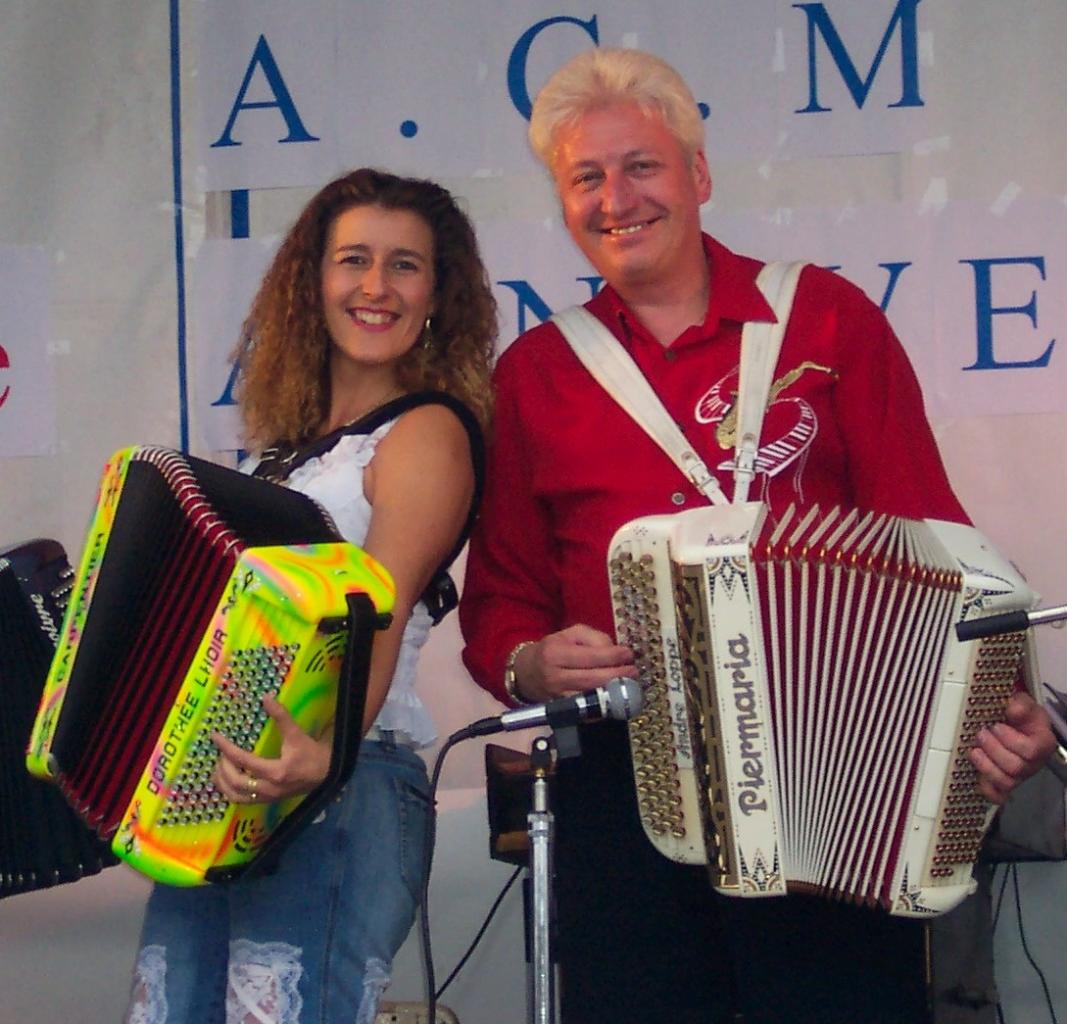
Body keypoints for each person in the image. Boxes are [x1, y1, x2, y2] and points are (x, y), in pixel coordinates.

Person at [458, 48, 1057, 1024]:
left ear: (696, 176)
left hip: (843, 771)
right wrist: (529, 662)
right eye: (585, 178)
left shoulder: (825, 319)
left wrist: (1006, 701)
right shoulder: (535, 374)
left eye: (640, 166)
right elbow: (500, 602)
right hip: (622, 786)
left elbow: (941, 546)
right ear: (563, 204)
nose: (616, 197)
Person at [124, 168, 496, 1024]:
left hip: (347, 781)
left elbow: (378, 612)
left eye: (404, 266)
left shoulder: (426, 431)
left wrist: (323, 760)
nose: (375, 287)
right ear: (313, 283)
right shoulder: (282, 456)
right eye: (353, 260)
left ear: (437, 294)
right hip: (238, 786)